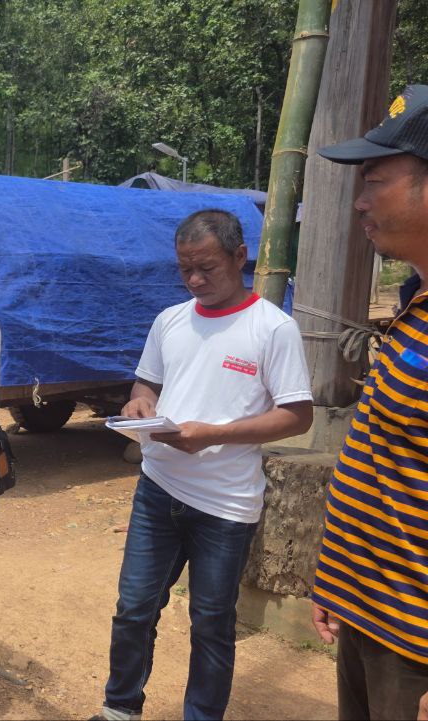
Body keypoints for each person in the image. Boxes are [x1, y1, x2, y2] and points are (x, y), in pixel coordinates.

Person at [93, 209, 313, 721]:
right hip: (158, 489)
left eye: (206, 267)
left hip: (226, 505)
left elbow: (297, 415)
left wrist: (213, 434)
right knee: (134, 609)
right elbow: (146, 384)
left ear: (240, 257)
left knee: (212, 622)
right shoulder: (170, 321)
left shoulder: (272, 328)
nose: (194, 279)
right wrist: (140, 404)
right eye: (184, 268)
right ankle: (120, 708)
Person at [308, 85, 428, 721]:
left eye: (376, 180)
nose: (359, 201)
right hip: (369, 611)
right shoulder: (412, 305)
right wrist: (338, 576)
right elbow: (384, 453)